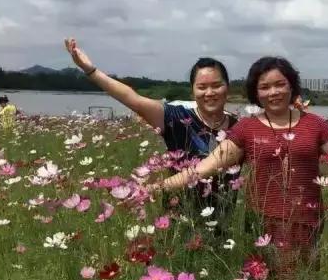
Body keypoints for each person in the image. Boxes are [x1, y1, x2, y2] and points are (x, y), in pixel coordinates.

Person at [158, 56, 328, 277]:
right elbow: (205, 167)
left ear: (292, 85)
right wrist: (160, 186)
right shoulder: (246, 128)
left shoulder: (315, 125)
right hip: (261, 225)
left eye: (280, 84)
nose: (273, 92)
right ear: (256, 93)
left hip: (304, 223)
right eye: (265, 87)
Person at [64, 39, 239, 211]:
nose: (209, 93)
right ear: (192, 91)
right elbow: (132, 99)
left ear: (227, 88)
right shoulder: (177, 117)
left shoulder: (240, 128)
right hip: (179, 218)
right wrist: (90, 70)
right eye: (202, 87)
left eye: (216, 85)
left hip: (225, 222)